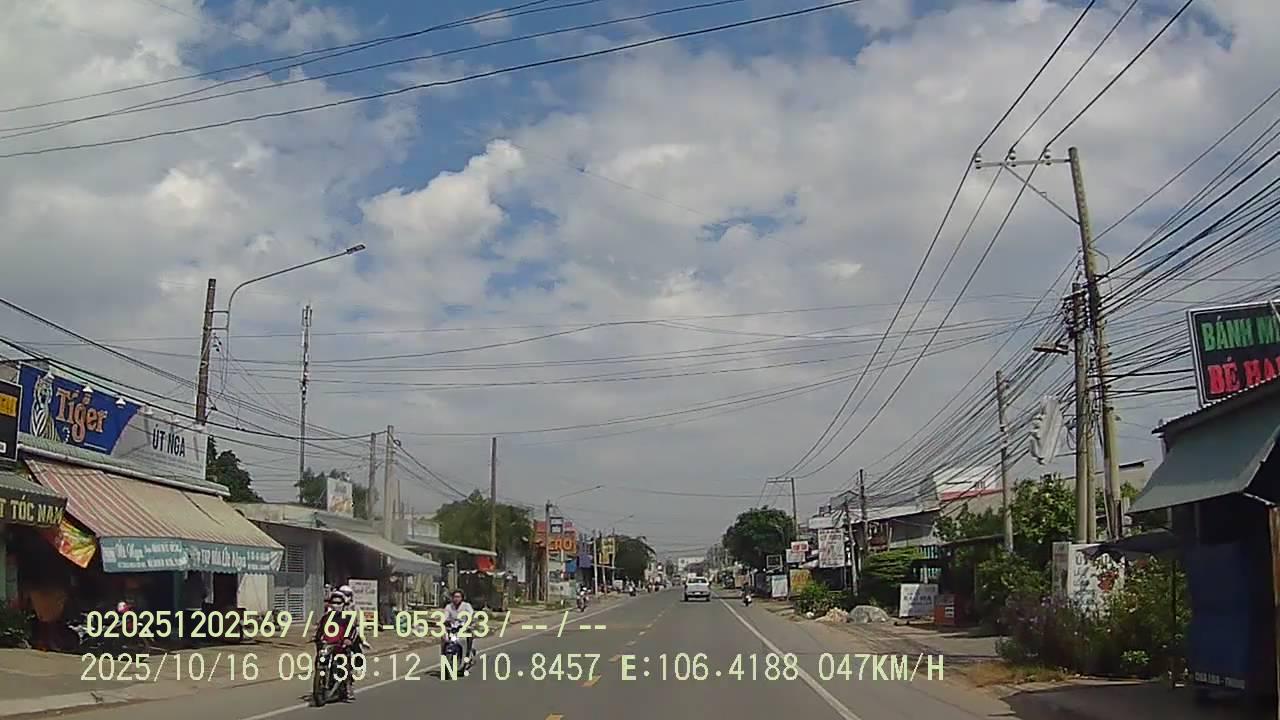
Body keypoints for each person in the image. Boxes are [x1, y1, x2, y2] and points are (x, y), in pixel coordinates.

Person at [441, 590, 476, 660]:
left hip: (465, 627)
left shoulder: (466, 606)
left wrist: (469, 623)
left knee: (469, 636)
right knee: (444, 638)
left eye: (458, 597)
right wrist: (445, 622)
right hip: (453, 628)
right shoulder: (449, 606)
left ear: (462, 598)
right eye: (454, 597)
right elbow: (445, 617)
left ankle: (468, 654)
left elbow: (471, 614)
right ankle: (444, 654)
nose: (456, 599)